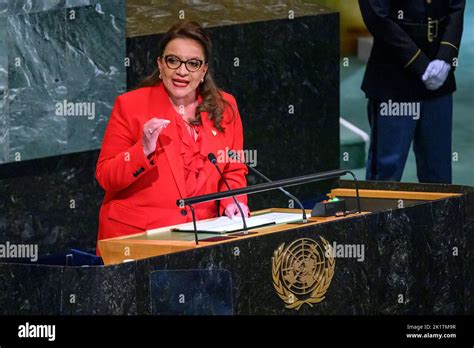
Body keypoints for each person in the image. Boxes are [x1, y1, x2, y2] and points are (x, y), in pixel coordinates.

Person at [95, 21, 249, 243]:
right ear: (160, 64)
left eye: (193, 63)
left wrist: (234, 202)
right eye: (173, 60)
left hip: (205, 237)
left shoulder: (226, 107)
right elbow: (106, 177)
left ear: (204, 70)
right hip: (140, 240)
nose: (182, 71)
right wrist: (143, 150)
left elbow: (233, 169)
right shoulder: (130, 106)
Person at [359, 0, 465, 183]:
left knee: (438, 173)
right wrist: (420, 64)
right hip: (394, 79)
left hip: (439, 75)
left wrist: (446, 56)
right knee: (386, 173)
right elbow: (377, 17)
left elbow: (456, 6)